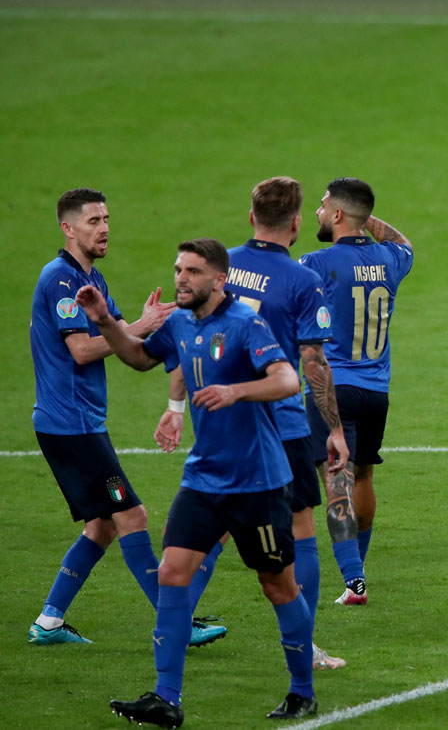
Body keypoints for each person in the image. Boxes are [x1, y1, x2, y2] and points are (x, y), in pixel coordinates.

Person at [89, 238, 316, 725]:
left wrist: (237, 390)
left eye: (192, 271)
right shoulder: (178, 322)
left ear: (219, 279)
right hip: (203, 480)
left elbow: (287, 380)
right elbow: (140, 358)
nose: (181, 279)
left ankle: (302, 690)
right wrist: (107, 321)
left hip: (258, 484)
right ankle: (166, 698)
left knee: (277, 586)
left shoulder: (245, 325)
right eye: (178, 269)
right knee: (172, 572)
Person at [156, 177, 351, 669]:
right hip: (279, 426)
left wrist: (175, 407)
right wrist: (333, 428)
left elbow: (186, 338)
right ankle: (307, 646)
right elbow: (312, 361)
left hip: (220, 423)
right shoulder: (303, 278)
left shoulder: (219, 268)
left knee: (214, 529)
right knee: (301, 527)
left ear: (250, 218)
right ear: (297, 223)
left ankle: (176, 627)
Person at [28, 188, 224, 649]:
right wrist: (141, 324)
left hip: (80, 422)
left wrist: (163, 339)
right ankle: (176, 621)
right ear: (68, 228)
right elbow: (82, 349)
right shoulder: (62, 279)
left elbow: (130, 351)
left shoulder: (91, 278)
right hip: (70, 424)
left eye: (106, 219)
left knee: (101, 525)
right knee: (131, 514)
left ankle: (49, 621)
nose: (104, 228)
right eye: (93, 220)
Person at [300, 178, 414, 606]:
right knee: (363, 475)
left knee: (336, 479)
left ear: (337, 215)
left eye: (324, 205)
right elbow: (406, 243)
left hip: (334, 387)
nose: (317, 211)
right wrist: (365, 220)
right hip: (376, 392)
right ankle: (357, 574)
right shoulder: (391, 258)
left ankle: (353, 580)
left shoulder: (315, 262)